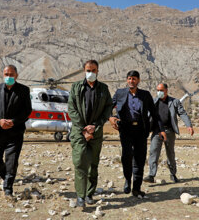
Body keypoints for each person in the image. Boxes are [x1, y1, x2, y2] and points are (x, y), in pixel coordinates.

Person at [109, 71, 166, 198]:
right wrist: (110, 117)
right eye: (129, 78)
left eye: (134, 79)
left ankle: (136, 188)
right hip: (125, 130)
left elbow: (154, 113)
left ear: (138, 80)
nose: (131, 81)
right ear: (126, 80)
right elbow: (108, 107)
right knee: (126, 156)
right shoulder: (120, 93)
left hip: (141, 130)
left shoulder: (145, 95)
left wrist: (161, 129)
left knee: (140, 159)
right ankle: (127, 180)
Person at [68, 60, 112, 208]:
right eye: (88, 70)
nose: (91, 73)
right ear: (84, 71)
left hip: (96, 132)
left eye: (93, 70)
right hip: (79, 132)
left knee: (93, 164)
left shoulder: (104, 89)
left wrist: (95, 127)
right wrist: (83, 129)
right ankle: (80, 195)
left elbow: (107, 109)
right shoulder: (76, 87)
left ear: (98, 71)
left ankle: (89, 194)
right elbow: (72, 109)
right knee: (80, 161)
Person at [0, 65, 32, 198]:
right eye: (6, 74)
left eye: (11, 74)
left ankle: (8, 188)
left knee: (11, 161)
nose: (9, 77)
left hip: (15, 133)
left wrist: (14, 122)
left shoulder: (24, 90)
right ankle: (7, 177)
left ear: (16, 75)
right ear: (3, 75)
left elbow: (27, 111)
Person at [144, 83, 194, 184]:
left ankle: (173, 174)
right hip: (157, 131)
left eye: (161, 90)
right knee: (153, 152)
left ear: (166, 90)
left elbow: (182, 113)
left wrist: (189, 125)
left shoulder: (174, 102)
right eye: (157, 90)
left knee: (170, 153)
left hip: (169, 131)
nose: (159, 92)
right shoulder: (153, 101)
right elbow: (146, 114)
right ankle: (151, 175)